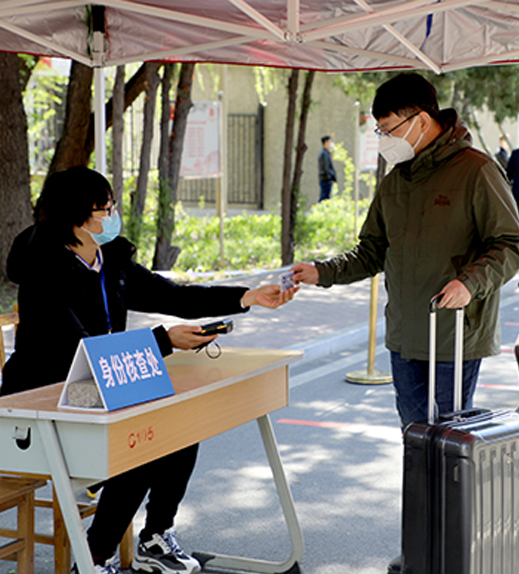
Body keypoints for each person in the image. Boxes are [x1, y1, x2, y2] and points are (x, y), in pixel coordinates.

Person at [0, 166, 298, 574]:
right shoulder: (45, 272)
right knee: (138, 447)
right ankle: (93, 561)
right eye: (104, 209)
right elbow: (81, 346)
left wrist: (249, 296)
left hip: (93, 389)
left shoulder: (110, 260)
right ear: (75, 218)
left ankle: (155, 539)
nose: (113, 215)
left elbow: (173, 296)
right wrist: (164, 341)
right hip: (38, 403)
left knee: (178, 426)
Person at [293, 73, 519, 429]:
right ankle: (419, 488)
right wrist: (321, 272)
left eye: (388, 129)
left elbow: (512, 244)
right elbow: (372, 251)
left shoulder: (476, 170)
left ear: (420, 120)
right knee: (414, 435)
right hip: (405, 335)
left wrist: (469, 283)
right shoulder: (395, 182)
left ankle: (447, 488)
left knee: (450, 439)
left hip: (455, 334)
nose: (383, 140)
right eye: (380, 131)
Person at [317, 135, 337, 202]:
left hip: (325, 178)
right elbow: (326, 167)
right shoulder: (324, 153)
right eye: (329, 142)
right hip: (325, 179)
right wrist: (329, 177)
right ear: (325, 142)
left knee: (325, 196)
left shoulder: (325, 153)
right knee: (324, 197)